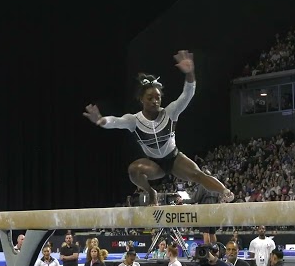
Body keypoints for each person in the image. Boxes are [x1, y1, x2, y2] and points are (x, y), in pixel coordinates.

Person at [83, 50, 235, 206]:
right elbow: (115, 122)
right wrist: (101, 120)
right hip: (154, 164)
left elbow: (187, 94)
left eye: (158, 97)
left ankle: (225, 192)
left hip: (174, 158)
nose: (155, 101)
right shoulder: (134, 120)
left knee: (198, 174)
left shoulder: (170, 112)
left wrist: (190, 74)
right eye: (150, 98)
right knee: (133, 170)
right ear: (141, 99)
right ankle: (150, 193)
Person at [192, 168, 221, 244]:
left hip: (205, 212)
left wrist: (183, 201)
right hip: (213, 212)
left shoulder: (203, 185)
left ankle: (208, 252)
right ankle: (215, 251)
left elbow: (195, 199)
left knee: (206, 232)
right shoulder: (215, 186)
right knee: (212, 232)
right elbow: (218, 200)